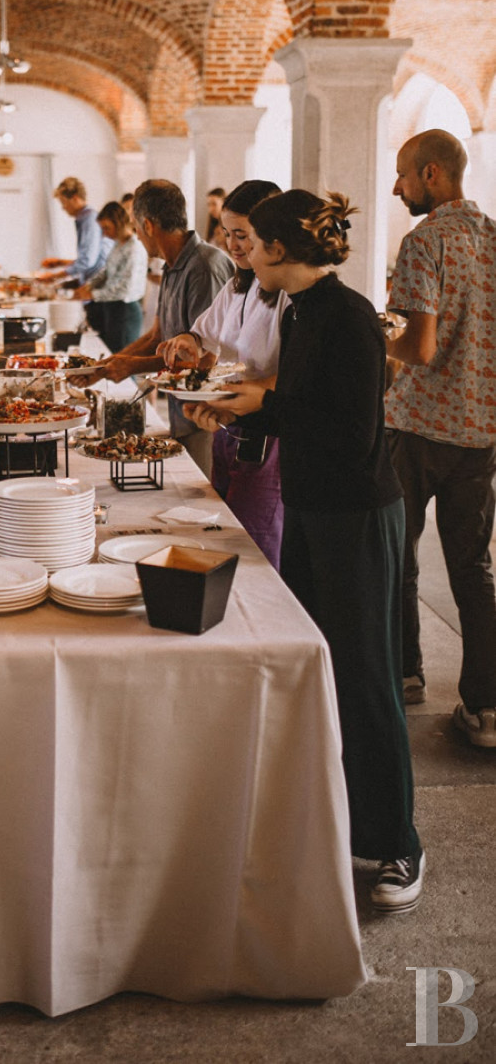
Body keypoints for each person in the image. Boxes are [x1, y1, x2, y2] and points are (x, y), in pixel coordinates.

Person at [201, 188, 424, 913]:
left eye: (251, 242)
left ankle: (399, 843)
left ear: (280, 249)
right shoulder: (301, 311)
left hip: (357, 514)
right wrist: (241, 403)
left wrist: (265, 406)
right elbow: (297, 407)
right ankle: (343, 817)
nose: (244, 253)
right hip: (314, 507)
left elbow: (351, 432)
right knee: (317, 663)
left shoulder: (350, 318)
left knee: (368, 677)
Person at [384, 128, 496, 744]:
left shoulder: (425, 240)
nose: (397, 187)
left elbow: (418, 348)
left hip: (420, 425)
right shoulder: (493, 236)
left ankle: (406, 674)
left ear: (431, 174)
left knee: (399, 554)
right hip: (480, 433)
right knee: (473, 566)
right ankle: (485, 708)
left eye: (402, 175)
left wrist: (378, 332)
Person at [161, 180, 287, 566]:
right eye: (227, 233)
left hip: (265, 434)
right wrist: (187, 342)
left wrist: (239, 395)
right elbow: (205, 333)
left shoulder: (285, 291)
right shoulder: (237, 282)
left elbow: (296, 376)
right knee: (221, 535)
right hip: (225, 426)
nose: (231, 245)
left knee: (252, 548)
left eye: (242, 235)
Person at [85, 180, 233, 478]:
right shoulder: (170, 265)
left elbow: (204, 357)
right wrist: (105, 366)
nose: (137, 238)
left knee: (201, 502)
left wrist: (131, 366)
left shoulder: (204, 266)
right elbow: (156, 336)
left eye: (137, 229)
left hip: (207, 417)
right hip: (181, 414)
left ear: (148, 226)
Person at [73, 201, 148, 352]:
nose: (104, 233)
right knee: (111, 355)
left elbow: (124, 288)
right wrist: (89, 285)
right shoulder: (118, 244)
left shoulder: (134, 248)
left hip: (126, 311)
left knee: (123, 360)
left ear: (118, 223)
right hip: (112, 308)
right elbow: (106, 271)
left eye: (107, 228)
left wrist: (92, 294)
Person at [39, 177, 110, 334]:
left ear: (75, 199)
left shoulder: (89, 219)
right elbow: (90, 256)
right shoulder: (84, 218)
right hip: (92, 288)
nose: (63, 208)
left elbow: (88, 260)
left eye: (64, 202)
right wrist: (60, 262)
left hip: (97, 290)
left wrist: (55, 276)